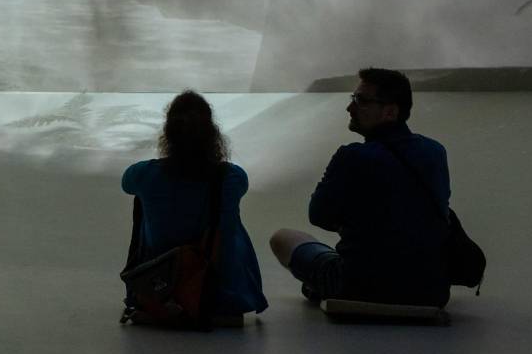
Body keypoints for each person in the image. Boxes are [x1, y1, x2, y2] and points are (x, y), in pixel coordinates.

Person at [269, 67, 451, 307]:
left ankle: (322, 283)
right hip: (430, 290)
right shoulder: (435, 152)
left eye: (362, 101)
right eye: (353, 98)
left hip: (358, 287)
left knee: (282, 238)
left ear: (390, 112)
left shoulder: (352, 156)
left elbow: (318, 216)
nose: (350, 108)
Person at [120, 91, 268, 318]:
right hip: (219, 294)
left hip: (160, 288)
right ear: (212, 134)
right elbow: (227, 229)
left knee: (143, 204)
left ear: (168, 134)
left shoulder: (142, 174)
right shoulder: (232, 177)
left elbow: (127, 185)